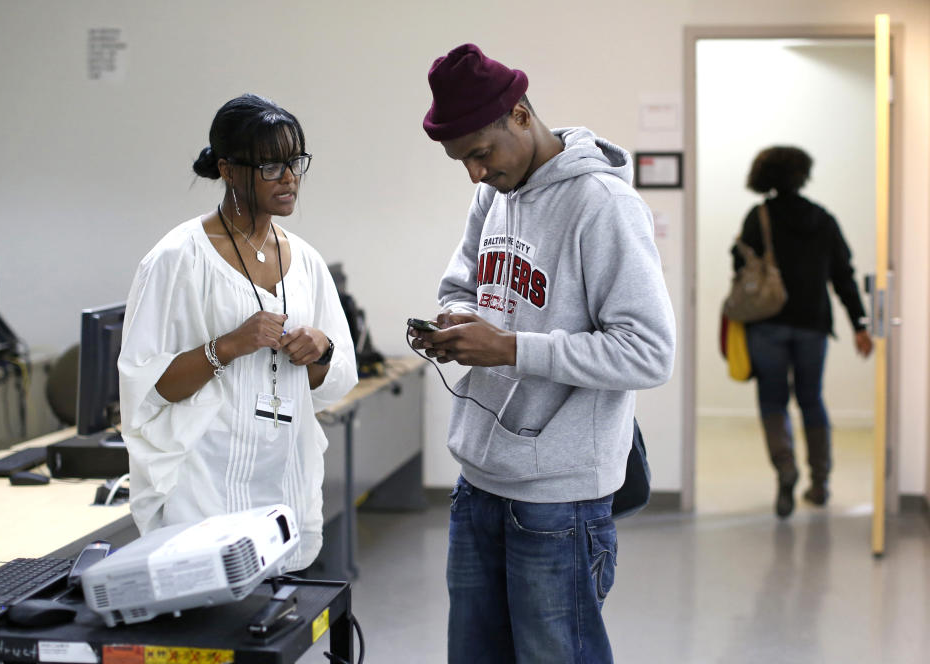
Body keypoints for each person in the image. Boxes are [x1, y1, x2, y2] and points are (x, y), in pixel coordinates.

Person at [412, 43, 675, 664]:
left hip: (559, 500)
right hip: (478, 482)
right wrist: (457, 322)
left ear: (522, 115)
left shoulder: (602, 206)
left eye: (480, 153)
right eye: (461, 162)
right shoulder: (493, 195)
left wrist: (508, 348)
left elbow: (648, 352)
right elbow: (461, 285)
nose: (475, 174)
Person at [118, 94, 357, 571]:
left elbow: (334, 383)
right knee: (210, 627)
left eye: (295, 162)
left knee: (272, 627)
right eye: (271, 166)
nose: (289, 178)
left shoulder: (305, 260)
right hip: (204, 485)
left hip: (283, 480)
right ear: (228, 171)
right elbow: (147, 389)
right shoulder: (177, 258)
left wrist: (320, 351)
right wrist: (228, 346)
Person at [733, 145, 873, 518]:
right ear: (802, 175)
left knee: (773, 400)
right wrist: (859, 324)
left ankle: (785, 470)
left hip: (767, 324)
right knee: (812, 400)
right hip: (813, 324)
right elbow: (844, 275)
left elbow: (740, 267)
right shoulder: (823, 219)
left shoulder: (758, 216)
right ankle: (820, 482)